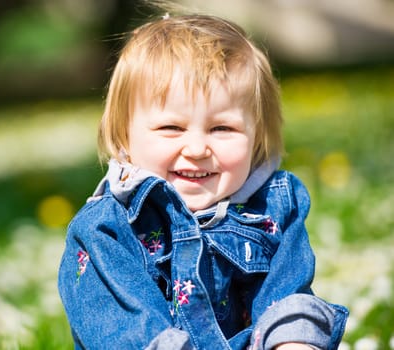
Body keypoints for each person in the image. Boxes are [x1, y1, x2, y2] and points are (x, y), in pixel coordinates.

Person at [58, 9, 348, 350]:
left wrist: (293, 341)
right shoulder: (104, 230)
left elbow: (285, 296)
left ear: (256, 138)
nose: (196, 148)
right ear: (124, 136)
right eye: (171, 128)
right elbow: (126, 331)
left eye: (222, 128)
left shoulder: (273, 206)